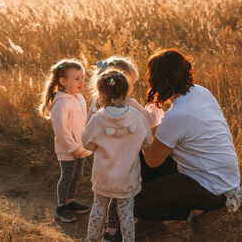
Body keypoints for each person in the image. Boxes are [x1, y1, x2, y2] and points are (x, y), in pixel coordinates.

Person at [134, 49, 241, 223]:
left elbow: (152, 161)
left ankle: (193, 212)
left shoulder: (176, 115)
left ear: (158, 80)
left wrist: (139, 129)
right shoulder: (201, 92)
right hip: (226, 176)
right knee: (145, 171)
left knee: (136, 203)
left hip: (209, 186)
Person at [87, 56, 164, 242]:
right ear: (125, 84)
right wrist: (156, 108)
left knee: (99, 206)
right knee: (125, 209)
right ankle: (120, 236)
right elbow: (149, 129)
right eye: (133, 83)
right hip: (127, 174)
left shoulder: (96, 109)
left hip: (103, 171)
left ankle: (92, 238)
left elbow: (87, 140)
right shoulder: (133, 108)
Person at [39, 59, 92, 222]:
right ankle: (62, 206)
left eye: (82, 77)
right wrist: (73, 147)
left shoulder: (79, 97)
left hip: (80, 146)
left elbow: (83, 120)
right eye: (76, 78)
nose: (81, 81)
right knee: (68, 176)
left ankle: (70, 201)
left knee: (77, 175)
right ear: (63, 82)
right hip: (69, 148)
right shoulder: (61, 103)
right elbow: (62, 130)